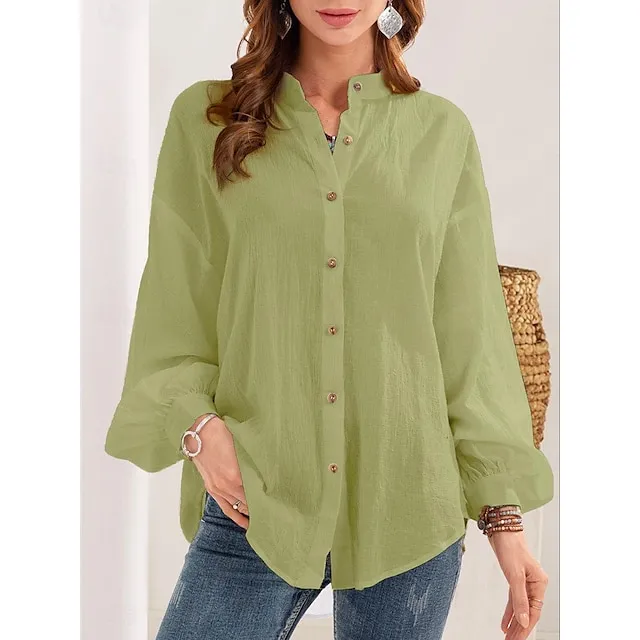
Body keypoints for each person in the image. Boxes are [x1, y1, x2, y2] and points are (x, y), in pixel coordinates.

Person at [104, 1, 554, 638]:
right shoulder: (209, 119)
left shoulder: (441, 133)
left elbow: (471, 338)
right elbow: (176, 303)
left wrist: (504, 522)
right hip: (256, 494)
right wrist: (201, 429)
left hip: (409, 504)